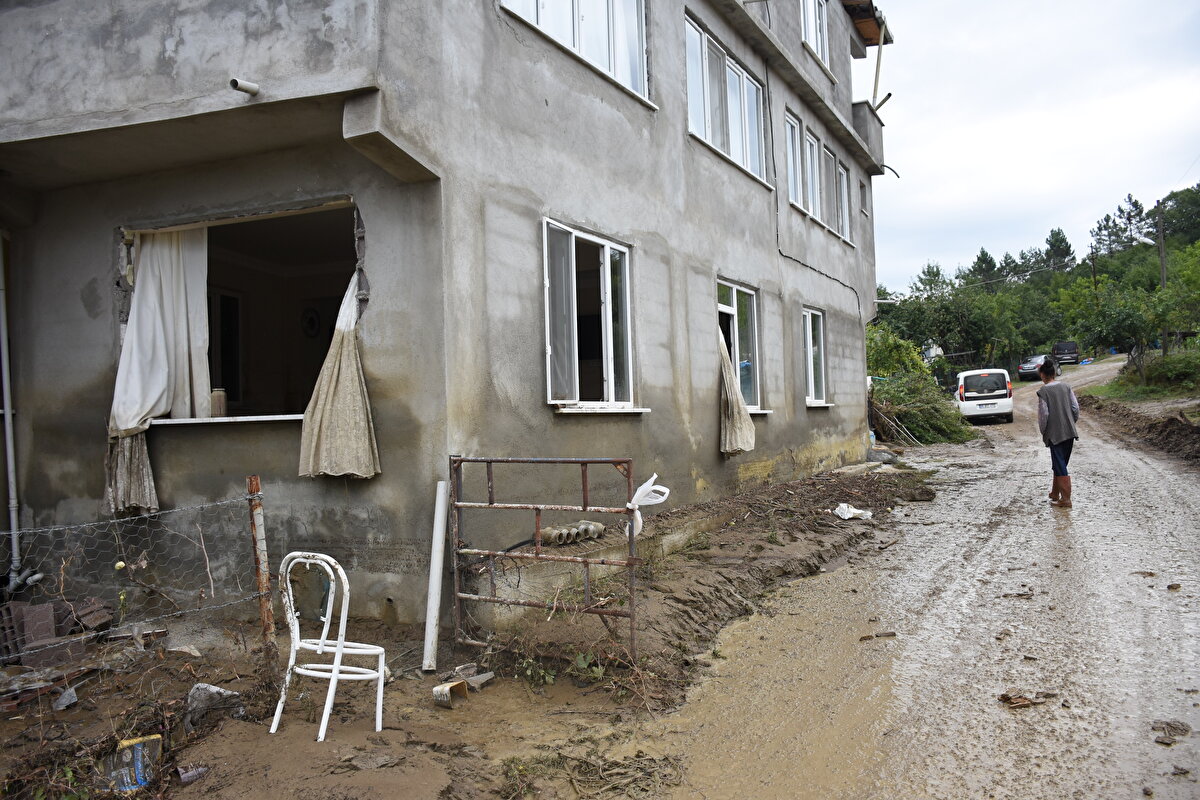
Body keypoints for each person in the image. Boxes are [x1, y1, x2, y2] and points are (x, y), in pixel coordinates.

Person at [1036, 358, 1079, 507]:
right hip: (1070, 431)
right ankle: (1055, 493)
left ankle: (1066, 499)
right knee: (1060, 463)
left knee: (1060, 464)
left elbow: (1043, 416)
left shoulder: (1044, 392)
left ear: (1042, 375)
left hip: (1055, 434)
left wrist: (1044, 432)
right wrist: (1070, 422)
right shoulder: (1067, 387)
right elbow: (1075, 408)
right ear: (1054, 373)